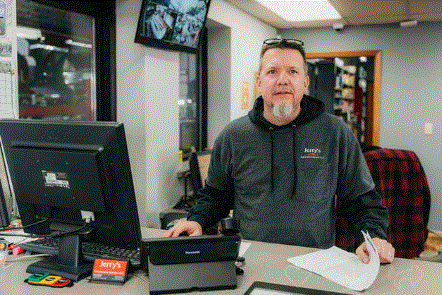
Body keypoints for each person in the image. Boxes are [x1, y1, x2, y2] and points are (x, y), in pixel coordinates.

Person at [164, 38, 394, 264]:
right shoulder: (232, 136)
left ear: (305, 82)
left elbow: (362, 201)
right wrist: (198, 220)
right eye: (272, 71)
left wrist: (373, 236)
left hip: (317, 263)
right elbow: (216, 197)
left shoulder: (336, 134)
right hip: (250, 261)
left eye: (293, 72)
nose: (282, 80)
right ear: (259, 82)